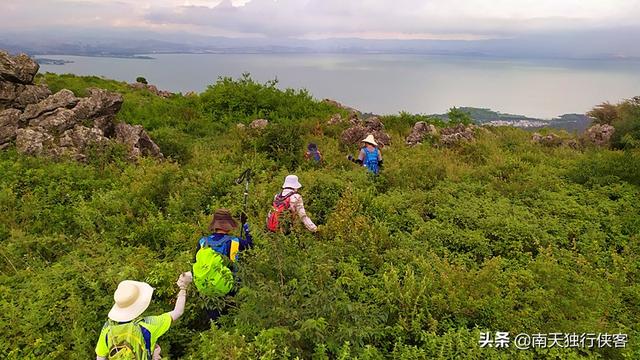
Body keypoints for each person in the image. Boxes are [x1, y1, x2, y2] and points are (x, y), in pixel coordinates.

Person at [95, 272, 192, 360]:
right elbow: (178, 312)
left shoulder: (108, 328)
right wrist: (183, 288)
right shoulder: (149, 325)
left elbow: (100, 357)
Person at [192, 208, 252, 321]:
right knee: (231, 318)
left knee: (214, 321)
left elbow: (195, 262)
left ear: (214, 225)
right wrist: (246, 225)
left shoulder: (202, 242)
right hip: (230, 287)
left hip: (207, 288)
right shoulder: (234, 241)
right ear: (229, 225)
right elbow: (251, 245)